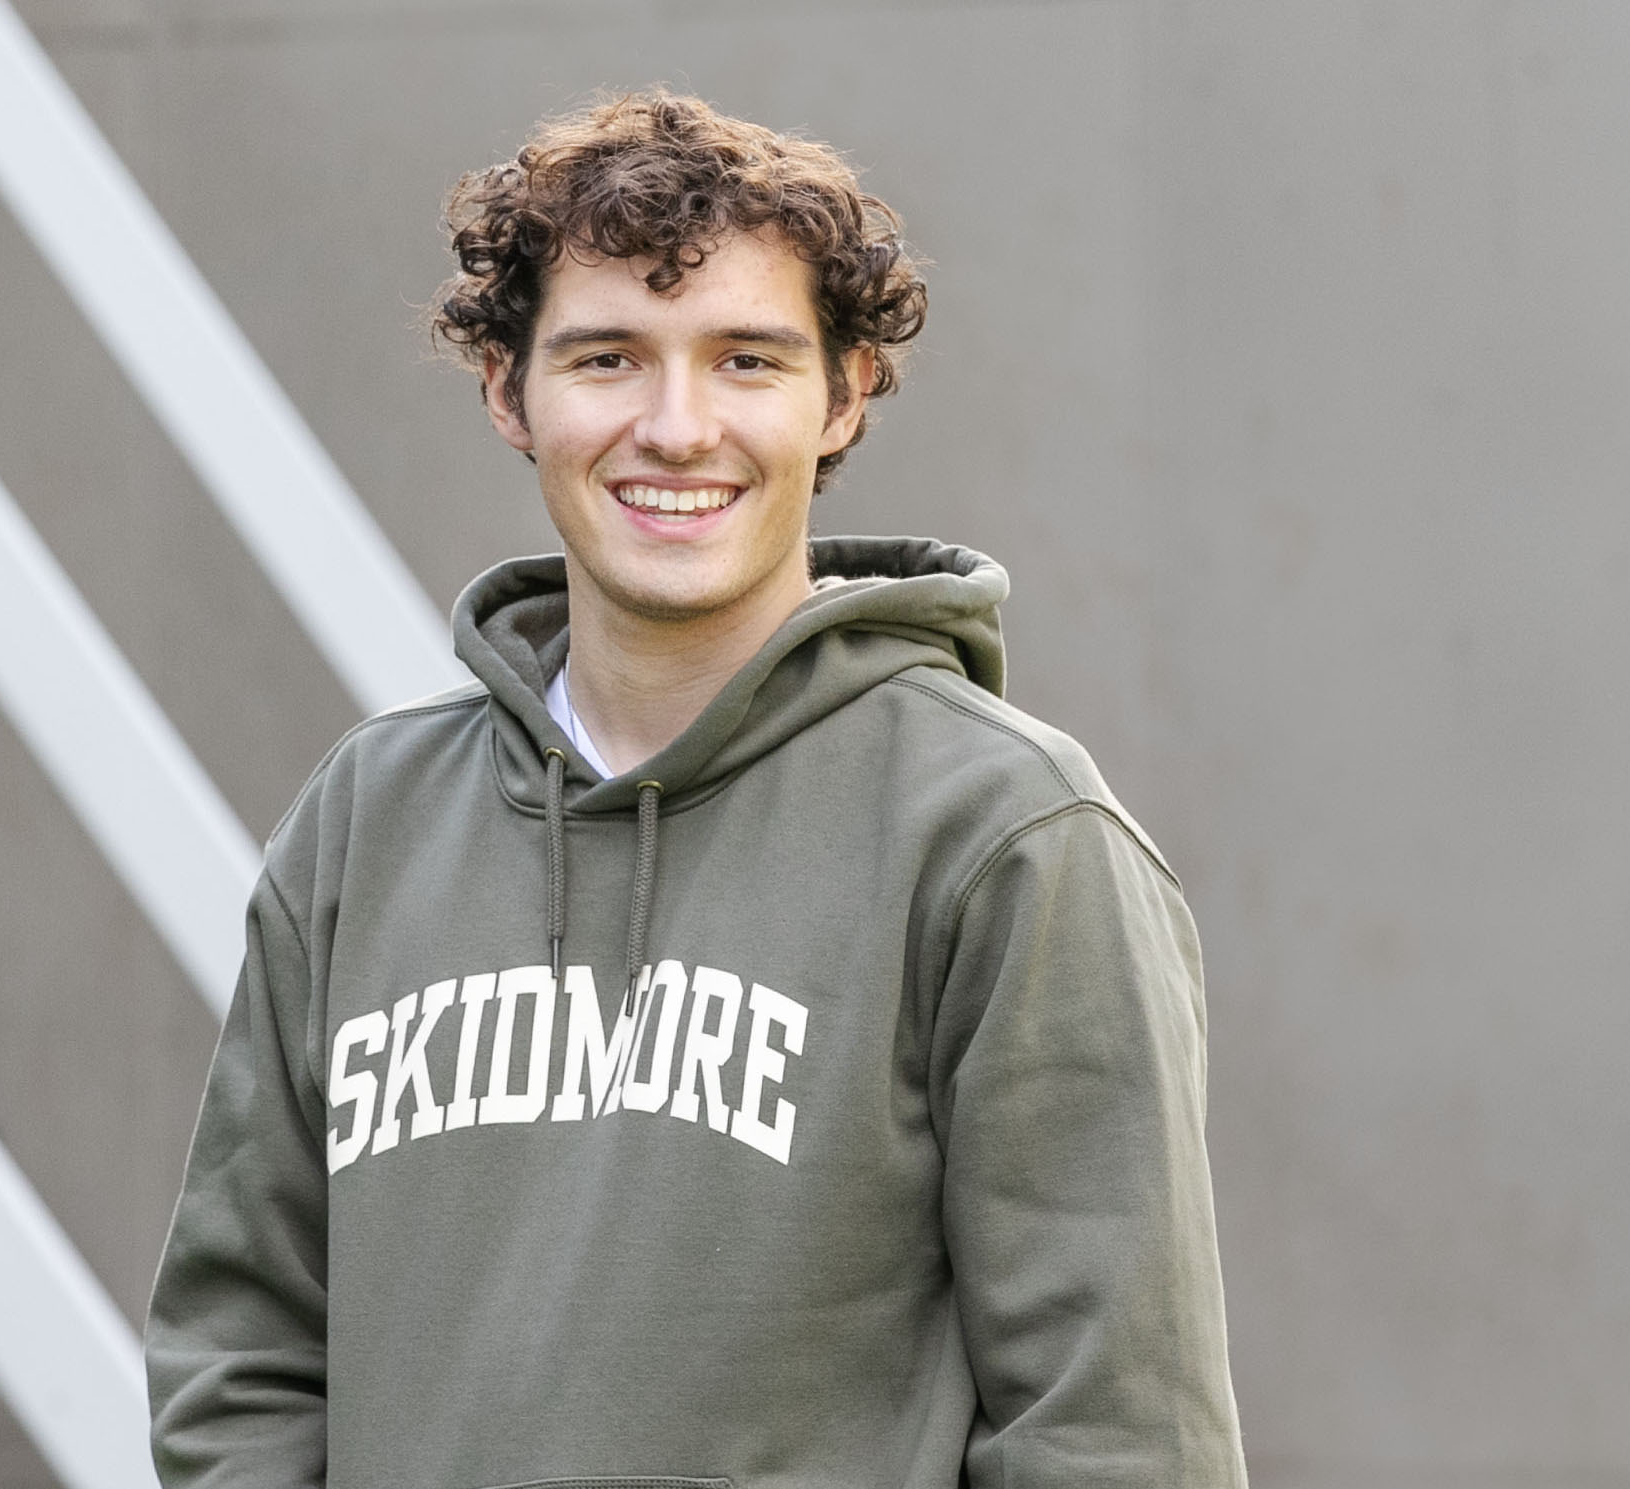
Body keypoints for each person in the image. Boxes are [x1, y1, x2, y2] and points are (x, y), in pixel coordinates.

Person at [145, 89, 1246, 1488]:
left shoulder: (1003, 836)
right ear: (508, 391)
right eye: (607, 357)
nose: (676, 428)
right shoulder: (369, 818)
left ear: (842, 393)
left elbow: (1113, 1435)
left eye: (745, 361)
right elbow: (239, 1355)